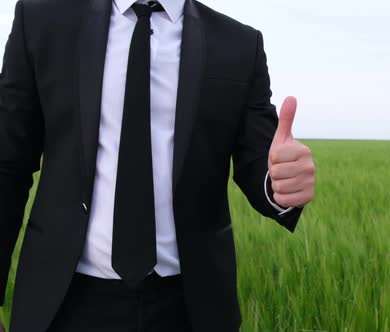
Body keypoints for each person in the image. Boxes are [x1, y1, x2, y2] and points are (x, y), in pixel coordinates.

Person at [0, 0, 315, 330]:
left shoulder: (238, 44)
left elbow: (260, 163)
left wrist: (281, 182)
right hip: (63, 303)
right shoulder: (40, 22)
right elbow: (8, 162)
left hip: (189, 307)